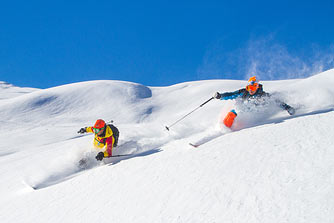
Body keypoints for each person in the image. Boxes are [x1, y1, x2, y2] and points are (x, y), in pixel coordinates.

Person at [213, 76, 295, 128]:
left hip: (252, 112)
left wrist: (287, 108)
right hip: (240, 110)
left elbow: (276, 101)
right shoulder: (243, 92)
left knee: (240, 116)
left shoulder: (263, 95)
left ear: (257, 87)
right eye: (249, 87)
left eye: (253, 87)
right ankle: (224, 130)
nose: (251, 90)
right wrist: (220, 96)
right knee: (231, 114)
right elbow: (231, 94)